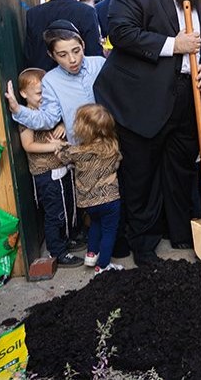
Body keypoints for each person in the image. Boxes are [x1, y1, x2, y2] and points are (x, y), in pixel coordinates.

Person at [93, 0, 201, 267]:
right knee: (142, 175)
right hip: (143, 102)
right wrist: (173, 45)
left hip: (189, 99)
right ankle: (144, 244)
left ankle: (179, 232)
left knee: (180, 169)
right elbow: (120, 32)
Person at [15, 68, 81, 268]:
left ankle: (67, 239)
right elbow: (28, 145)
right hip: (46, 173)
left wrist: (61, 123)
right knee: (55, 213)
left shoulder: (50, 110)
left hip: (62, 168)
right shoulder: (26, 116)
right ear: (24, 94)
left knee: (69, 206)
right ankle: (57, 251)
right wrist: (53, 146)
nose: (44, 97)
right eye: (39, 93)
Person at [6, 20, 106, 143]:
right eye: (62, 55)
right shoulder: (51, 81)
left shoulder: (99, 64)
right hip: (82, 150)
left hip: (113, 141)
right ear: (51, 55)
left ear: (83, 45)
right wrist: (18, 109)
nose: (72, 59)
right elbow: (48, 118)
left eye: (76, 51)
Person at [55, 104, 124, 274]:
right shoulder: (113, 148)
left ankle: (91, 254)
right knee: (109, 232)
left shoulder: (76, 151)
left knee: (95, 225)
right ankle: (104, 265)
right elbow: (117, 162)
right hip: (110, 200)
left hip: (89, 202)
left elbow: (62, 157)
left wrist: (59, 146)